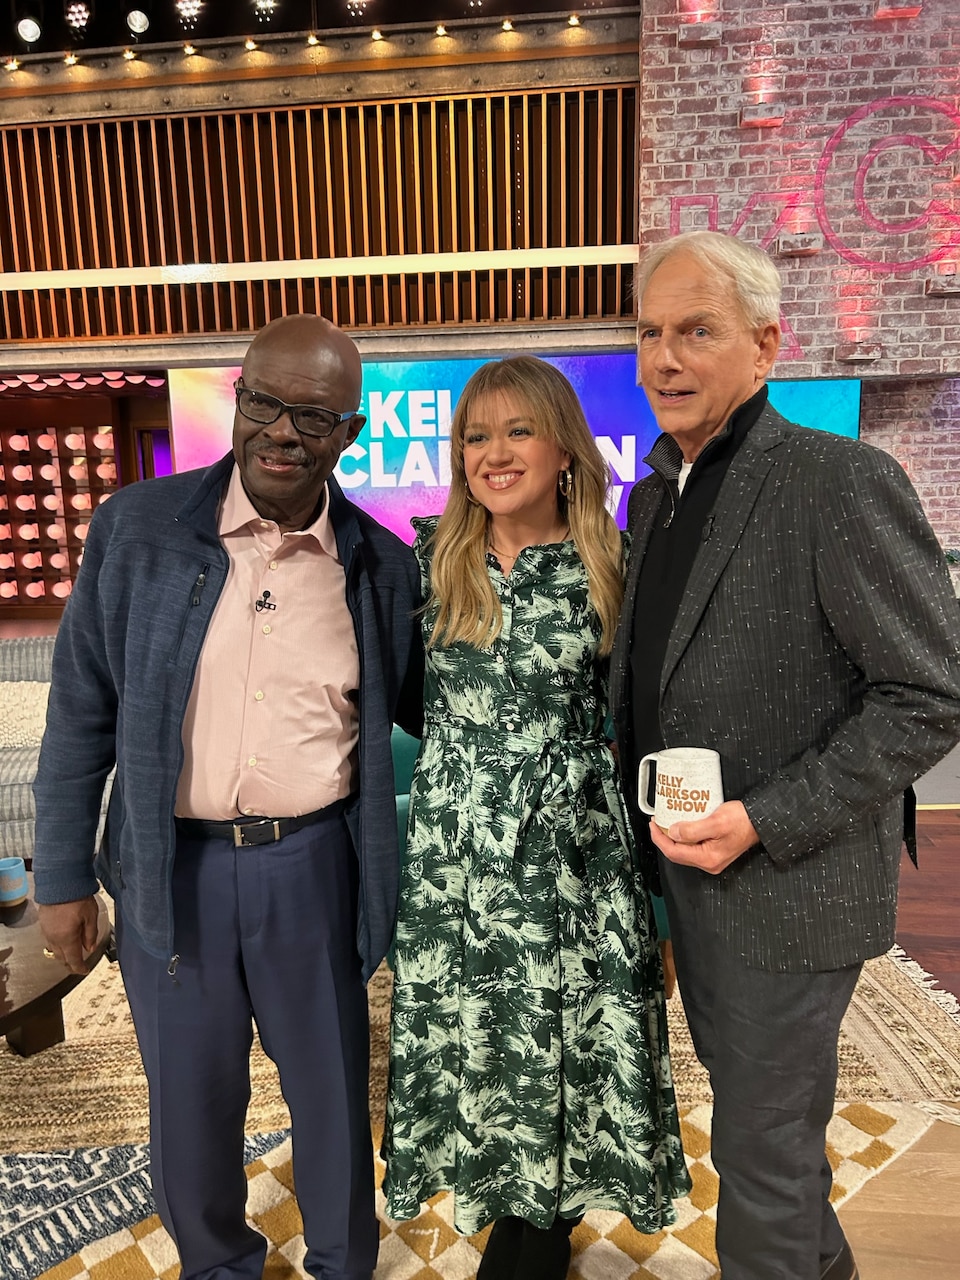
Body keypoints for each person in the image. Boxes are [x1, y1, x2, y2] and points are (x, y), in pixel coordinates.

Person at [32, 314, 425, 1280]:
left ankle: (342, 1263)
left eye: (314, 415)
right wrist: (62, 874)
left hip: (316, 869)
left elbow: (444, 710)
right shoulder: (136, 530)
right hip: (176, 870)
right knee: (190, 1101)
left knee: (333, 1097)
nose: (283, 432)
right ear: (239, 399)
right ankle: (217, 1266)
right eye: (265, 404)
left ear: (352, 430)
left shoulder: (381, 567)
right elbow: (80, 709)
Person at [610, 230, 960, 1280]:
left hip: (788, 884)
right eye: (650, 332)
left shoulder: (836, 481)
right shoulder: (652, 494)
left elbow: (931, 691)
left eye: (697, 332)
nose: (664, 358)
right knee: (772, 1140)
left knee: (758, 1155)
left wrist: (766, 815)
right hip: (692, 879)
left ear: (766, 346)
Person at [381, 356, 692, 1280]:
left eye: (517, 430)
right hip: (459, 859)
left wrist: (664, 903)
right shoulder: (430, 563)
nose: (494, 453)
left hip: (574, 863)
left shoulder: (614, 565)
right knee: (482, 1048)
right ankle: (507, 1218)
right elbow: (407, 705)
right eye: (476, 436)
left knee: (565, 1042)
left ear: (563, 446)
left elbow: (646, 722)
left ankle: (538, 1237)